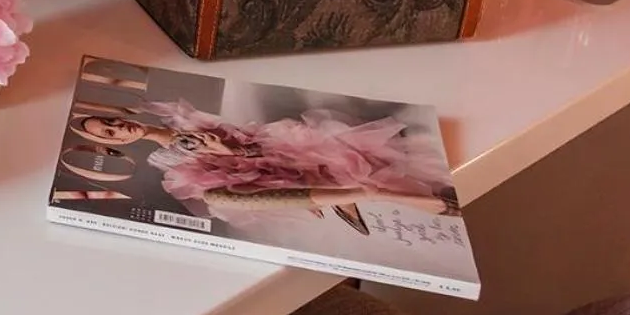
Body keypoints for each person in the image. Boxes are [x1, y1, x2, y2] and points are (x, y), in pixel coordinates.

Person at [128, 99, 459, 235]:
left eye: (114, 123)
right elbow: (215, 179)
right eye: (112, 133)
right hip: (243, 172)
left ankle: (366, 193)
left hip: (253, 151)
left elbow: (246, 146)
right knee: (224, 199)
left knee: (322, 154)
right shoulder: (162, 159)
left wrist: (221, 148)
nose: (122, 130)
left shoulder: (183, 120)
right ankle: (348, 193)